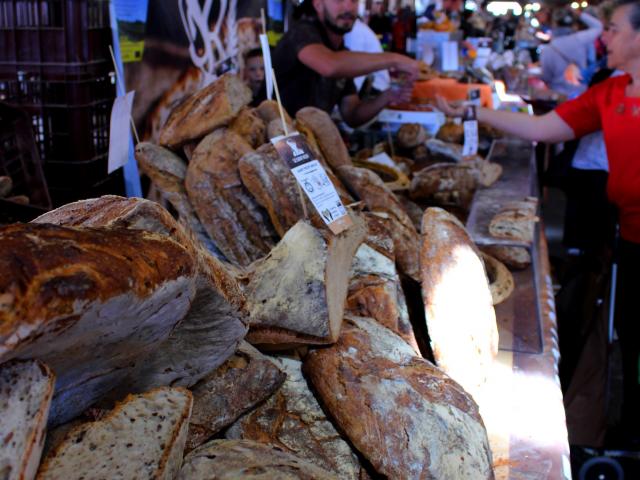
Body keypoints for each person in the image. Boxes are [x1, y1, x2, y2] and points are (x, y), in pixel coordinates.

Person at [436, 0, 640, 444]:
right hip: (630, 238)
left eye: (613, 28)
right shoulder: (612, 91)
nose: (603, 37)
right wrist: (472, 111)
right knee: (630, 337)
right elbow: (544, 127)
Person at [270, 0, 420, 126]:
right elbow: (328, 66)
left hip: (306, 150)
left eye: (354, 0)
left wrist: (387, 97)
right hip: (272, 143)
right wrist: (393, 59)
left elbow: (352, 114)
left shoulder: (341, 54)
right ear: (318, 5)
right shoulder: (302, 33)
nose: (348, 7)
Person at [539, 10, 603, 96]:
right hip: (580, 95)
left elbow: (546, 77)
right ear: (573, 25)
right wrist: (580, 14)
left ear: (554, 24)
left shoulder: (548, 49)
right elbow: (598, 26)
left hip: (558, 96)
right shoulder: (581, 39)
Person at [344, 18, 391, 93]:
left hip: (375, 89)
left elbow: (356, 74)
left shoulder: (355, 31)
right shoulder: (356, 28)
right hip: (369, 85)